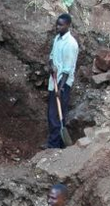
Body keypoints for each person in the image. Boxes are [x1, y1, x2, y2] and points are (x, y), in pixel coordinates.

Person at [42, 13, 79, 149]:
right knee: (55, 115)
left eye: (61, 25)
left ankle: (53, 146)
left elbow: (67, 70)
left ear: (68, 25)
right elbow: (52, 56)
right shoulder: (57, 38)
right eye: (57, 24)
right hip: (54, 82)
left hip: (63, 85)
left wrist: (61, 88)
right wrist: (51, 65)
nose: (57, 27)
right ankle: (58, 143)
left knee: (55, 116)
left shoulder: (71, 44)